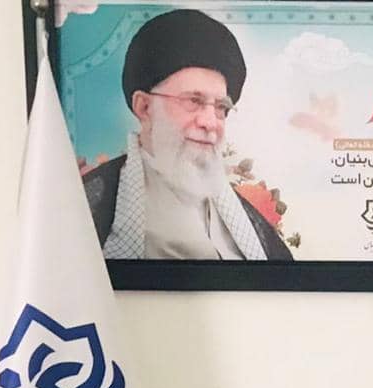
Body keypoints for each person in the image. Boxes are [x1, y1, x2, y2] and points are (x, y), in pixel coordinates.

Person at [81, 9, 292, 260]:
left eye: (221, 107)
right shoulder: (88, 204)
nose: (210, 123)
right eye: (193, 101)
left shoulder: (246, 221)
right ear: (144, 107)